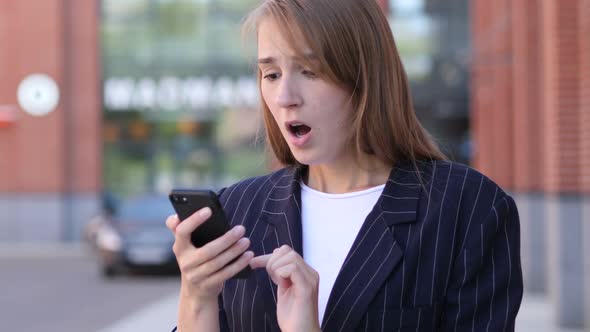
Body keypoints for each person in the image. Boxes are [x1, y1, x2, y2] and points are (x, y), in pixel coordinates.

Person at [166, 0, 523, 331]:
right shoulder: (238, 211)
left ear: (365, 77)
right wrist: (196, 296)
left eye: (309, 71)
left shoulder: (469, 209)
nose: (285, 97)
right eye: (271, 74)